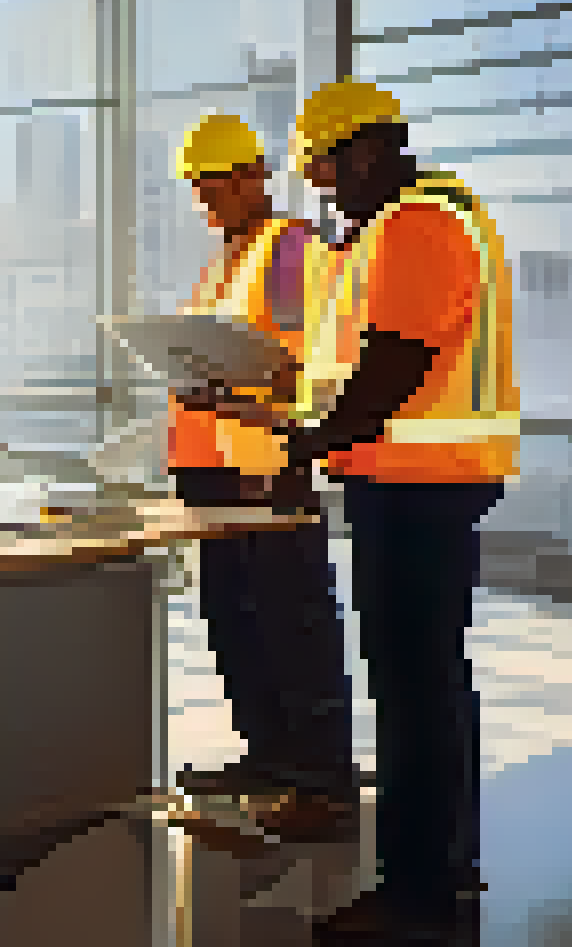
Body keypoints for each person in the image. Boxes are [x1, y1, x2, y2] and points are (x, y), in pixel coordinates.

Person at [279, 80, 518, 947]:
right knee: (435, 683)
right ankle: (447, 865)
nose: (329, 188)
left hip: (418, 486)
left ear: (367, 150)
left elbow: (395, 363)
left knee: (412, 692)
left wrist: (309, 446)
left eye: (330, 170)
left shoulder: (418, 221)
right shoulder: (427, 218)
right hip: (429, 482)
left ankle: (414, 896)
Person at [159, 115, 357, 839]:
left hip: (267, 468)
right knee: (236, 621)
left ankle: (322, 781)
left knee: (292, 620)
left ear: (253, 178)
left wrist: (249, 399)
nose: (206, 205)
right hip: (214, 469)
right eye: (197, 193)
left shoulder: (292, 250)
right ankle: (270, 756)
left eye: (215, 189)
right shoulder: (225, 262)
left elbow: (312, 360)